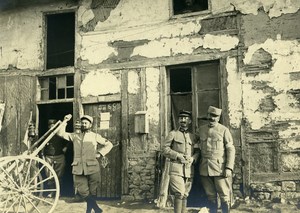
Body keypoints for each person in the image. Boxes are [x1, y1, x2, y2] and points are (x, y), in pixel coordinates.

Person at [58, 115, 113, 213]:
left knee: (92, 192)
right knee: (82, 191)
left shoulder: (95, 136)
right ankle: (97, 209)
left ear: (90, 125)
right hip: (78, 168)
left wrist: (100, 153)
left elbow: (109, 144)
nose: (83, 125)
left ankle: (88, 210)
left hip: (92, 168)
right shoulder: (75, 136)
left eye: (85, 123)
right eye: (82, 123)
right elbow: (60, 133)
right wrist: (65, 121)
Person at [198, 106, 236, 213]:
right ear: (207, 115)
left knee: (224, 195)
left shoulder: (224, 130)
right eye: (211, 115)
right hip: (205, 167)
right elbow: (196, 145)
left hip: (220, 168)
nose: (212, 118)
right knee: (210, 196)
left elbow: (230, 150)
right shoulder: (201, 130)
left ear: (218, 118)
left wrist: (229, 167)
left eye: (215, 116)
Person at [162, 110, 199, 213]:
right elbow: (164, 150)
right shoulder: (173, 134)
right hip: (176, 169)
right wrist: (178, 156)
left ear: (190, 121)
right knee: (179, 193)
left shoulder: (193, 137)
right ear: (178, 120)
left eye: (185, 118)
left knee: (185, 194)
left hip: (188, 170)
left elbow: (197, 151)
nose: (183, 120)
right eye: (181, 118)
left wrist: (193, 158)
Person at [43, 119, 68, 198]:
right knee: (49, 175)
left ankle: (58, 192)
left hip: (59, 156)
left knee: (59, 175)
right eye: (50, 125)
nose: (51, 126)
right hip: (48, 157)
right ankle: (51, 192)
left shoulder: (61, 134)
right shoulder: (46, 135)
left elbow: (69, 140)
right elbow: (41, 146)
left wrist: (66, 147)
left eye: (53, 124)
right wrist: (42, 156)